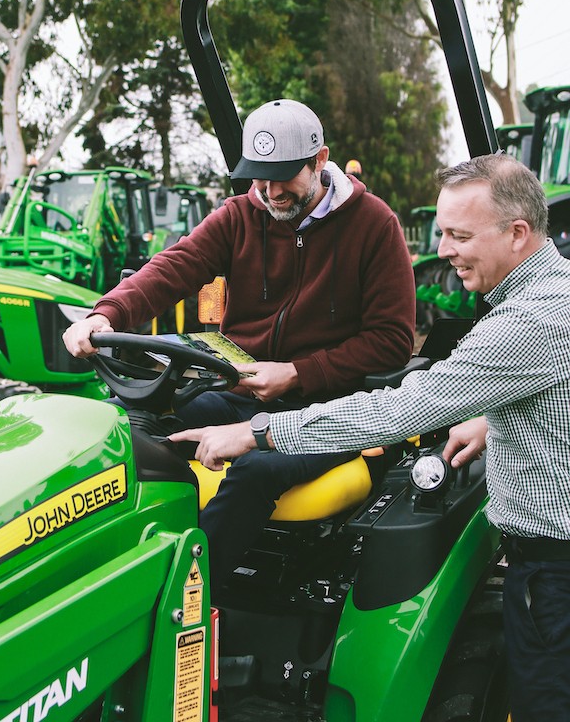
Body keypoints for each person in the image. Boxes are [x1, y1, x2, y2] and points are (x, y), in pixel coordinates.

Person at [172, 152, 570, 722]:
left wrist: (259, 433)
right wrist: (500, 409)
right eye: (442, 233)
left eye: (459, 236)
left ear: (518, 233)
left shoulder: (529, 323)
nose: (444, 251)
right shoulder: (556, 292)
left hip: (555, 567)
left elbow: (401, 409)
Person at [63, 99, 415, 433]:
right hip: (237, 395)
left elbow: (391, 340)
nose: (271, 191)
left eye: (283, 175)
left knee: (251, 476)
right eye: (260, 176)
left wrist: (297, 374)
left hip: (323, 409)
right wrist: (106, 313)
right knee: (119, 425)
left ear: (319, 160)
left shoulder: (374, 224)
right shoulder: (238, 216)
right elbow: (174, 267)